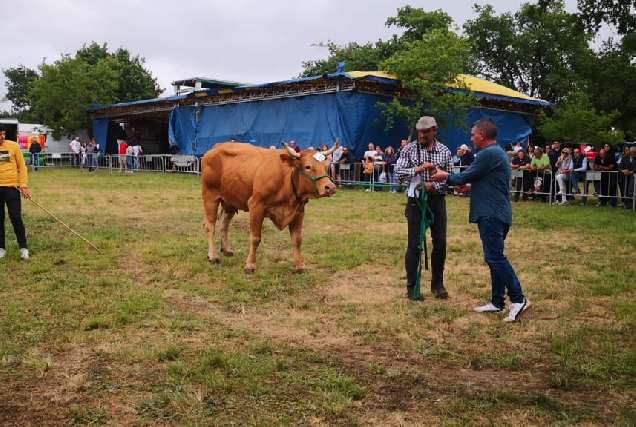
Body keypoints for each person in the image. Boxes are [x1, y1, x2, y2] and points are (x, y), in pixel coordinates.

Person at [430, 118, 531, 322]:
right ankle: (496, 302)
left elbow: (463, 176)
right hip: (497, 212)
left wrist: (445, 176)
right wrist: (469, 188)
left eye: (473, 134)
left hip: (491, 214)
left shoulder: (488, 154)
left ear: (482, 135)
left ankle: (518, 299)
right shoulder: (496, 153)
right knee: (495, 257)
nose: (471, 138)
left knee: (494, 257)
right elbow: (489, 183)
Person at [395, 116, 452, 301]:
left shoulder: (444, 151)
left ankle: (437, 283)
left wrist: (432, 186)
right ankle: (412, 287)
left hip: (437, 201)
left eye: (426, 132)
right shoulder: (409, 149)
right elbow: (398, 173)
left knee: (440, 243)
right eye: (420, 131)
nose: (422, 135)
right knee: (414, 244)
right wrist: (417, 170)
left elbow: (449, 180)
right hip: (415, 201)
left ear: (435, 131)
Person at [0, 124, 31, 260]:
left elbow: (22, 167)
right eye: (0, 134)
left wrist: (23, 185)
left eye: (3, 134)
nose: (2, 136)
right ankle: (1, 248)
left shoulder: (13, 146)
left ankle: (23, 247)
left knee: (15, 217)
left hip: (12, 188)